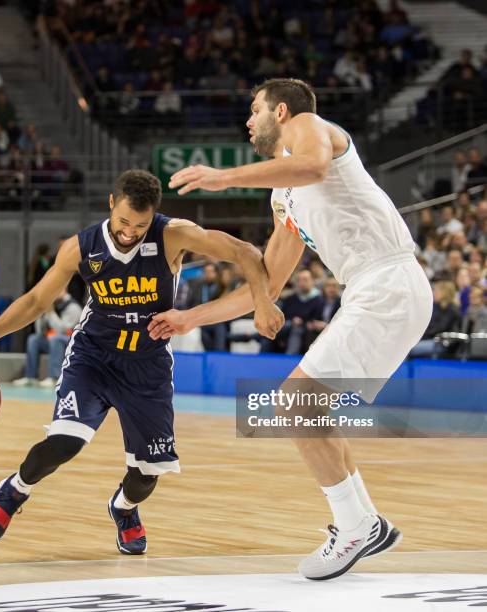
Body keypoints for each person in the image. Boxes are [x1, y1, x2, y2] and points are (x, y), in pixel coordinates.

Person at [148, 78, 433, 580]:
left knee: (295, 402)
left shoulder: (313, 128)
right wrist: (189, 317)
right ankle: (367, 522)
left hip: (389, 280)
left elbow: (313, 164)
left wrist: (224, 178)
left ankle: (352, 527)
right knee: (311, 407)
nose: (248, 120)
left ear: (281, 111)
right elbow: (268, 284)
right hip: (371, 290)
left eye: (255, 111)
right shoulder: (285, 194)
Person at [0, 169, 283, 554]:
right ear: (110, 204)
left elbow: (246, 252)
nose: (129, 232)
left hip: (147, 364)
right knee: (65, 442)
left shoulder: (173, 234)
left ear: (153, 215)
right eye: (123, 222)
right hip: (94, 355)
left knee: (146, 475)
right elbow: (37, 301)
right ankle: (15, 490)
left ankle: (123, 508)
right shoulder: (80, 247)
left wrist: (263, 300)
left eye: (139, 225)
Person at [12, 289, 82, 387]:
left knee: (56, 338)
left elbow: (63, 330)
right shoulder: (53, 305)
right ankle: (30, 377)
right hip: (54, 342)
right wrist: (41, 314)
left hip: (71, 343)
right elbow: (40, 331)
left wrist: (51, 313)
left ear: (64, 290)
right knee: (34, 339)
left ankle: (54, 377)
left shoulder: (73, 307)